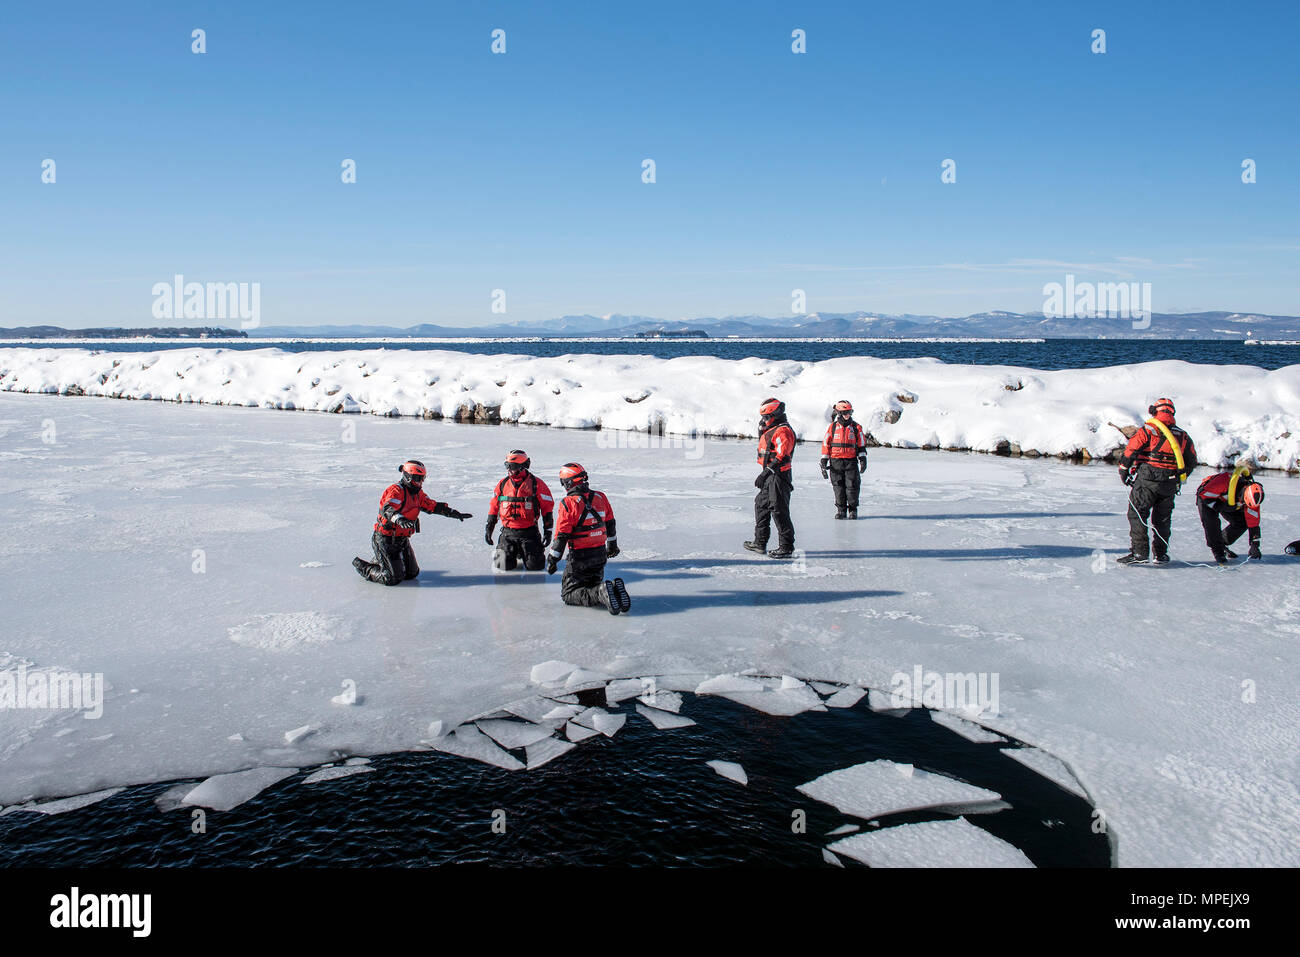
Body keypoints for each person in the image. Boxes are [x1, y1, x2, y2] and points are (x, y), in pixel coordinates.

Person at [352, 460, 472, 584]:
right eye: (417, 478)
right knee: (392, 578)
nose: (420, 482)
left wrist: (453, 513)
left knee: (411, 574)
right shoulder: (396, 491)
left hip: (401, 539)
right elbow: (387, 509)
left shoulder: (418, 494)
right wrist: (399, 519)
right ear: (408, 476)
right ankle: (363, 566)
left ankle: (382, 560)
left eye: (422, 478)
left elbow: (432, 506)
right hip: (385, 539)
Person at [1115, 397, 1198, 565]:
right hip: (1170, 482)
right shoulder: (1182, 435)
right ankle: (1161, 554)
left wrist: (1123, 471)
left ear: (1154, 411)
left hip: (1147, 479)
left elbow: (1131, 451)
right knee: (1163, 519)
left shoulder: (1148, 430)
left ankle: (1140, 553)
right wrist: (1180, 477)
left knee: (1137, 514)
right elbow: (1192, 461)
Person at [545, 463, 630, 614]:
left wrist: (553, 559)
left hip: (580, 557)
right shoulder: (600, 497)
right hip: (600, 554)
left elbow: (562, 535)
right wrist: (612, 546)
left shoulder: (568, 503)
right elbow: (610, 523)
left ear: (568, 483)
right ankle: (614, 590)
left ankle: (600, 593)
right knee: (591, 584)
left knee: (569, 594)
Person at [485, 450, 555, 571]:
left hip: (529, 533)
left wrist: (548, 532)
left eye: (512, 466)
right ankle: (515, 551)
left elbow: (547, 509)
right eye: (507, 466)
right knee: (501, 564)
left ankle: (525, 551)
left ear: (523, 466)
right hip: (508, 533)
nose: (509, 470)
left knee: (536, 566)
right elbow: (494, 507)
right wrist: (489, 528)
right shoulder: (503, 484)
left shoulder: (536, 484)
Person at [744, 397, 797, 558]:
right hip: (769, 477)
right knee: (761, 505)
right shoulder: (772, 429)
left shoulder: (783, 431)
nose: (764, 421)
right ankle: (760, 542)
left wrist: (766, 472)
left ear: (775, 415)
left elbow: (782, 456)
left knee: (779, 510)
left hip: (779, 476)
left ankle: (786, 546)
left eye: (766, 417)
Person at [1197, 466, 1264, 563]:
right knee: (1212, 524)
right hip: (1207, 498)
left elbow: (1253, 522)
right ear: (1243, 494)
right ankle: (1218, 551)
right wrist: (1219, 506)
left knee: (1242, 522)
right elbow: (1203, 494)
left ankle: (1222, 542)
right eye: (1243, 502)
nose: (1244, 504)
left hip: (1229, 503)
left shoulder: (1254, 497)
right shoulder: (1223, 482)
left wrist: (1255, 545)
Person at [820, 399, 868, 519]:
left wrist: (862, 459)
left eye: (850, 412)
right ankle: (841, 510)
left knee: (852, 486)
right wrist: (824, 459)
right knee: (838, 487)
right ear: (839, 413)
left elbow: (861, 443)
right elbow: (826, 443)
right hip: (835, 462)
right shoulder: (832, 427)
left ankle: (853, 510)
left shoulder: (856, 427)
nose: (848, 415)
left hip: (850, 461)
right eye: (846, 412)